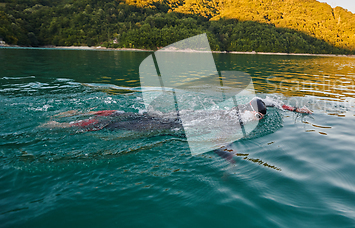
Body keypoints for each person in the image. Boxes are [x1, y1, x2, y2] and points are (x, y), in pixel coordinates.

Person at [43, 97, 312, 132]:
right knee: (123, 125)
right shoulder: (240, 119)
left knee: (129, 114)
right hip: (180, 121)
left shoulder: (236, 107)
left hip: (181, 113)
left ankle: (80, 114)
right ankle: (63, 127)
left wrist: (295, 108)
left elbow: (273, 102)